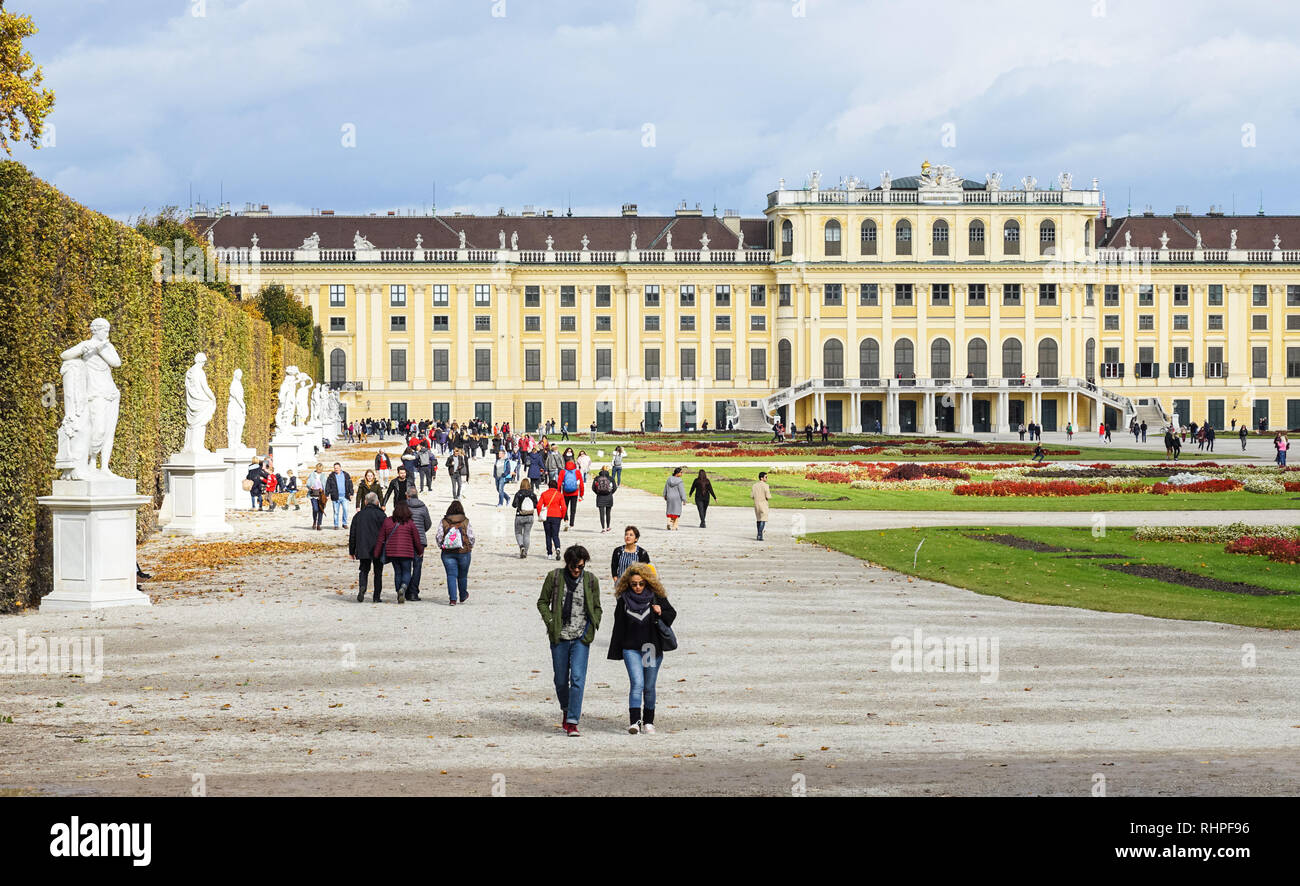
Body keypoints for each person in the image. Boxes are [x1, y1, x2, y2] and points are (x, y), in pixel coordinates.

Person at [537, 545, 601, 737]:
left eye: (580, 567)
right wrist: (550, 621)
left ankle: (572, 721)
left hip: (581, 637)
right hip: (560, 636)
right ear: (567, 563)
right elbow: (542, 602)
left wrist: (590, 630)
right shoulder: (554, 577)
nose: (576, 570)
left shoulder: (591, 580)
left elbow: (597, 608)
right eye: (574, 566)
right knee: (560, 680)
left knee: (578, 679)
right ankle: (566, 708)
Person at [607, 563, 676, 734]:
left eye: (641, 583)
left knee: (649, 686)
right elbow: (618, 626)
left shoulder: (656, 596)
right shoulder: (624, 600)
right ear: (628, 584)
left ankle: (649, 722)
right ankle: (635, 723)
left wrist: (660, 612)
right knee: (637, 683)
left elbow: (671, 615)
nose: (637, 587)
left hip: (650, 647)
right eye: (634, 584)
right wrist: (616, 650)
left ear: (647, 582)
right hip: (631, 649)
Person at [374, 500, 424, 604]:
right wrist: (420, 551)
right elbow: (416, 539)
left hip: (392, 552)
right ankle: (403, 587)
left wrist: (376, 553)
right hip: (407, 552)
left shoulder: (388, 521)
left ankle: (398, 591)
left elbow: (381, 538)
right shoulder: (410, 523)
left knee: (397, 572)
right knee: (406, 571)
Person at [348, 492, 388, 602]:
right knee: (378, 572)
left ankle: (362, 587)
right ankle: (376, 597)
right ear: (377, 502)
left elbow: (353, 534)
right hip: (378, 547)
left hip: (363, 547)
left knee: (364, 570)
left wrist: (351, 551)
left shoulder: (358, 516)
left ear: (365, 502)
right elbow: (387, 533)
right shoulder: (381, 515)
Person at [434, 500, 475, 605]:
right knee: (463, 575)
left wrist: (441, 546)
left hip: (447, 552)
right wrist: (470, 546)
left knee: (451, 575)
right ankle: (463, 595)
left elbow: (439, 535)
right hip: (464, 551)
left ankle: (453, 599)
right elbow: (471, 536)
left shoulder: (444, 521)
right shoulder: (465, 521)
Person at [405, 487, 433, 601]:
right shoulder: (423, 507)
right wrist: (421, 530)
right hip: (420, 541)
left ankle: (405, 588)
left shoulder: (404, 506)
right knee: (417, 567)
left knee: (406, 567)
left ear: (407, 495)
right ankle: (413, 592)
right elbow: (428, 523)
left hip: (406, 540)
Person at [538, 480, 567, 560]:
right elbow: (564, 507)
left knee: (548, 535)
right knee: (555, 535)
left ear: (548, 486)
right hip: (557, 516)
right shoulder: (559, 495)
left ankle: (549, 553)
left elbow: (538, 505)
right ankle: (557, 548)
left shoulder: (544, 494)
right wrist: (562, 516)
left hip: (547, 516)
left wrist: (540, 514)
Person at [512, 477, 539, 558]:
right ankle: (525, 552)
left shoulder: (518, 493)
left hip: (520, 515)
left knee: (518, 533)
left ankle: (521, 546)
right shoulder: (532, 494)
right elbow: (536, 505)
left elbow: (514, 505)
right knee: (527, 534)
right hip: (530, 516)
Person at [323, 462, 353, 528]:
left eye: (337, 468)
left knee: (345, 510)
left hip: (345, 496)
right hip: (335, 497)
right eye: (335, 468)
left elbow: (350, 484)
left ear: (340, 467)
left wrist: (351, 493)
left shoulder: (346, 475)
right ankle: (336, 525)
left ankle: (344, 523)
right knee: (336, 512)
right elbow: (327, 486)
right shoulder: (331, 476)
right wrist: (327, 494)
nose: (336, 469)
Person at [558, 457, 584, 530]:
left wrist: (559, 492)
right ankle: (572, 524)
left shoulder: (563, 472)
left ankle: (566, 520)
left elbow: (559, 483)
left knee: (564, 507)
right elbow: (581, 484)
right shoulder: (577, 472)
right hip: (574, 493)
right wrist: (581, 494)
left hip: (565, 493)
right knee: (573, 509)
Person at [591, 466, 617, 532]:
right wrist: (610, 493)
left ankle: (603, 528)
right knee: (608, 513)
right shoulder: (611, 478)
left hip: (600, 497)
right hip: (609, 497)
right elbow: (615, 488)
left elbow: (593, 488)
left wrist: (598, 493)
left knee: (601, 513)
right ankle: (608, 527)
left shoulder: (597, 478)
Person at [663, 467, 686, 531]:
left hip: (669, 496)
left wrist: (665, 494)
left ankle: (669, 522)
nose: (682, 474)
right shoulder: (679, 481)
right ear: (677, 473)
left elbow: (665, 487)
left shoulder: (669, 479)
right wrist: (684, 499)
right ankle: (674, 526)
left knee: (670, 510)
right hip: (677, 498)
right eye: (681, 472)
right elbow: (682, 491)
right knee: (676, 511)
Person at [751, 472, 771, 541]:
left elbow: (752, 496)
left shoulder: (754, 485)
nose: (767, 478)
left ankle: (759, 534)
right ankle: (759, 534)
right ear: (761, 478)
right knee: (763, 519)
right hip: (763, 504)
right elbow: (768, 496)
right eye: (766, 477)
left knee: (758, 519)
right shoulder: (766, 485)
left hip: (756, 504)